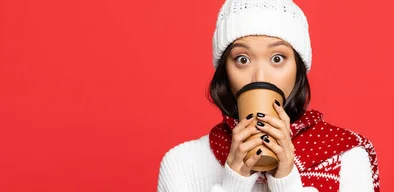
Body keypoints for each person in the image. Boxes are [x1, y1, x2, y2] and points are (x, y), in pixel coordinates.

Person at [157, 0, 380, 191]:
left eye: (277, 58)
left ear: (298, 69)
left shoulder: (346, 157)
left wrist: (286, 181)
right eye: (242, 59)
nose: (259, 77)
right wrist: (234, 183)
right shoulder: (183, 163)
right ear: (225, 71)